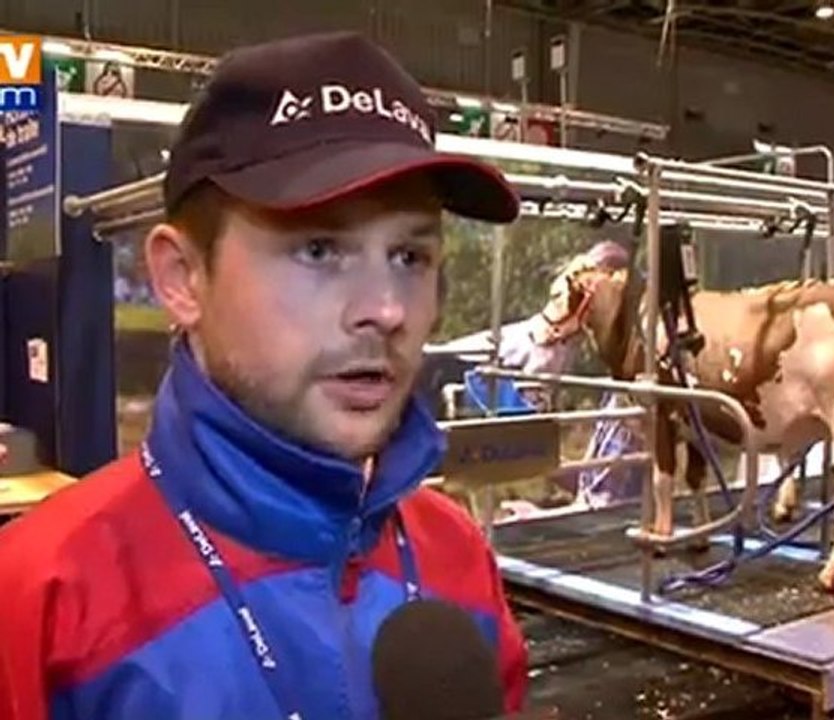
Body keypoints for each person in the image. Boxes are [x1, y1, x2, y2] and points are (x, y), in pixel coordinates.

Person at [0, 31, 527, 719]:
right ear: (183, 278)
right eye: (318, 249)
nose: (387, 310)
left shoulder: (456, 555)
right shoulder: (40, 595)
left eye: (408, 257)